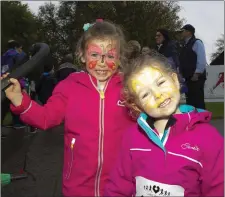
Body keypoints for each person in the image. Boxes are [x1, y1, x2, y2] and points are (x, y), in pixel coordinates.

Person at [1, 19, 134, 197]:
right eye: (94, 54)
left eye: (110, 56)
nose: (102, 62)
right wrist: (19, 99)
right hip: (78, 186)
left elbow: (149, 121)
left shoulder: (129, 88)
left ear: (119, 58)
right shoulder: (70, 86)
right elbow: (45, 117)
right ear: (82, 55)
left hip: (121, 185)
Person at [104, 54, 224, 196]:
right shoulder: (132, 137)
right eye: (145, 95)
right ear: (137, 106)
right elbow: (118, 187)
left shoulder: (209, 139)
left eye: (160, 83)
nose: (158, 94)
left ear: (174, 80)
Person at [179, 24, 207, 109]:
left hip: (196, 78)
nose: (181, 33)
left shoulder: (197, 43)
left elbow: (201, 58)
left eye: (182, 31)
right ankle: (193, 121)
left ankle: (202, 120)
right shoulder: (184, 46)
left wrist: (197, 73)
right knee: (190, 102)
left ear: (189, 32)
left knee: (198, 101)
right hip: (188, 78)